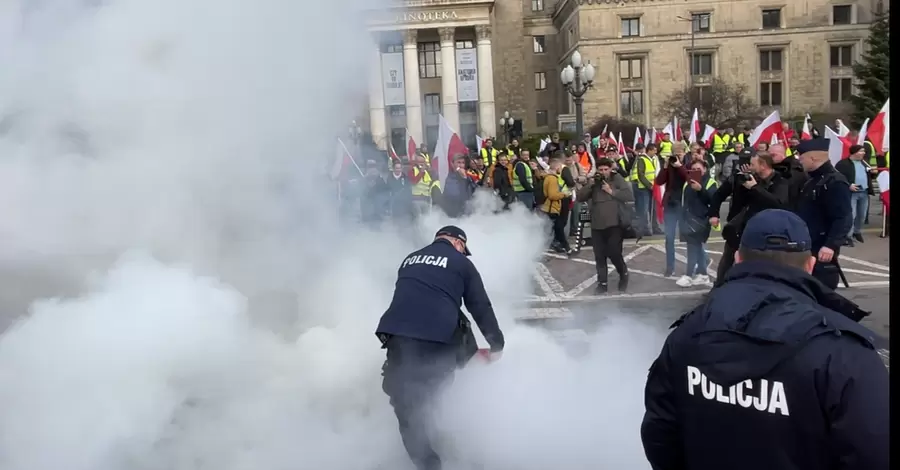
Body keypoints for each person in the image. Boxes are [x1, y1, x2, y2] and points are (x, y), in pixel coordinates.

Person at [641, 209, 887, 470]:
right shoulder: (843, 353)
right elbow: (875, 453)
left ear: (737, 259)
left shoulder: (688, 333)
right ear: (810, 265)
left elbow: (660, 435)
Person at [376, 226, 505, 470]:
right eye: (463, 249)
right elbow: (480, 306)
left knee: (406, 406)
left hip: (397, 338)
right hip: (437, 341)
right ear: (458, 243)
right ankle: (442, 434)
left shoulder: (409, 259)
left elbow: (411, 297)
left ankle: (427, 462)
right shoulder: (461, 263)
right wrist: (496, 343)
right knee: (432, 392)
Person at [708, 151, 789, 286]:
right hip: (740, 227)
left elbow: (778, 203)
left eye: (752, 164)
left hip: (764, 230)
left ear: (763, 166)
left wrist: (755, 188)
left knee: (758, 263)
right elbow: (720, 194)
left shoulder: (779, 181)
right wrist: (714, 213)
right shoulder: (744, 178)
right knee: (728, 259)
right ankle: (719, 287)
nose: (749, 166)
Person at [795, 138, 852, 289]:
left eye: (802, 158)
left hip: (821, 248)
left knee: (822, 290)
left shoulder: (834, 181)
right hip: (807, 245)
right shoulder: (811, 181)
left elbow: (843, 217)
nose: (799, 161)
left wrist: (830, 245)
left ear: (813, 158)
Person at [576, 157, 633, 293]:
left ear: (610, 169)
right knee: (599, 256)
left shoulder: (617, 178)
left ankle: (623, 273)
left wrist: (611, 191)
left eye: (605, 170)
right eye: (600, 170)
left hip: (614, 224)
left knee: (614, 252)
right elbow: (580, 197)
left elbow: (628, 195)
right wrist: (591, 184)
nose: (603, 172)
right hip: (597, 225)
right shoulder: (594, 182)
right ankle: (602, 283)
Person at [676, 159, 717, 287]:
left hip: (702, 220)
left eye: (698, 169)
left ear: (705, 169)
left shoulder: (710, 182)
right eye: (693, 169)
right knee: (696, 247)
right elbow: (685, 201)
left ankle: (688, 275)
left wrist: (700, 190)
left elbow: (712, 200)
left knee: (693, 247)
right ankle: (703, 274)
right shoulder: (688, 183)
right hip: (688, 219)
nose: (696, 172)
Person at [654, 142, 690, 277]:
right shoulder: (669, 165)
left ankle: (694, 265)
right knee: (669, 237)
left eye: (680, 153)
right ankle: (670, 267)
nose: (677, 155)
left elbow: (689, 178)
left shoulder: (689, 163)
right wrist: (665, 167)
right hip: (671, 204)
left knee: (688, 236)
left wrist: (679, 166)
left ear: (685, 153)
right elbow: (659, 181)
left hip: (685, 204)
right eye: (675, 153)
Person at [835, 144, 878, 246]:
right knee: (852, 215)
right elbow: (838, 177)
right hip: (851, 193)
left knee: (862, 215)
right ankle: (848, 236)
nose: (863, 153)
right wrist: (848, 185)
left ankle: (857, 231)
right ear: (854, 152)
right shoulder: (843, 164)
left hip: (864, 192)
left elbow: (870, 175)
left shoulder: (864, 163)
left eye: (863, 151)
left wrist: (873, 172)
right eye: (861, 151)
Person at [541, 154, 574, 255]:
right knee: (559, 226)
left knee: (556, 226)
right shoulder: (552, 179)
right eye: (559, 167)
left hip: (551, 205)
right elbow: (552, 195)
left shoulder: (548, 177)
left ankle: (561, 244)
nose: (561, 169)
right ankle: (565, 246)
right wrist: (563, 194)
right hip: (554, 206)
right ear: (556, 167)